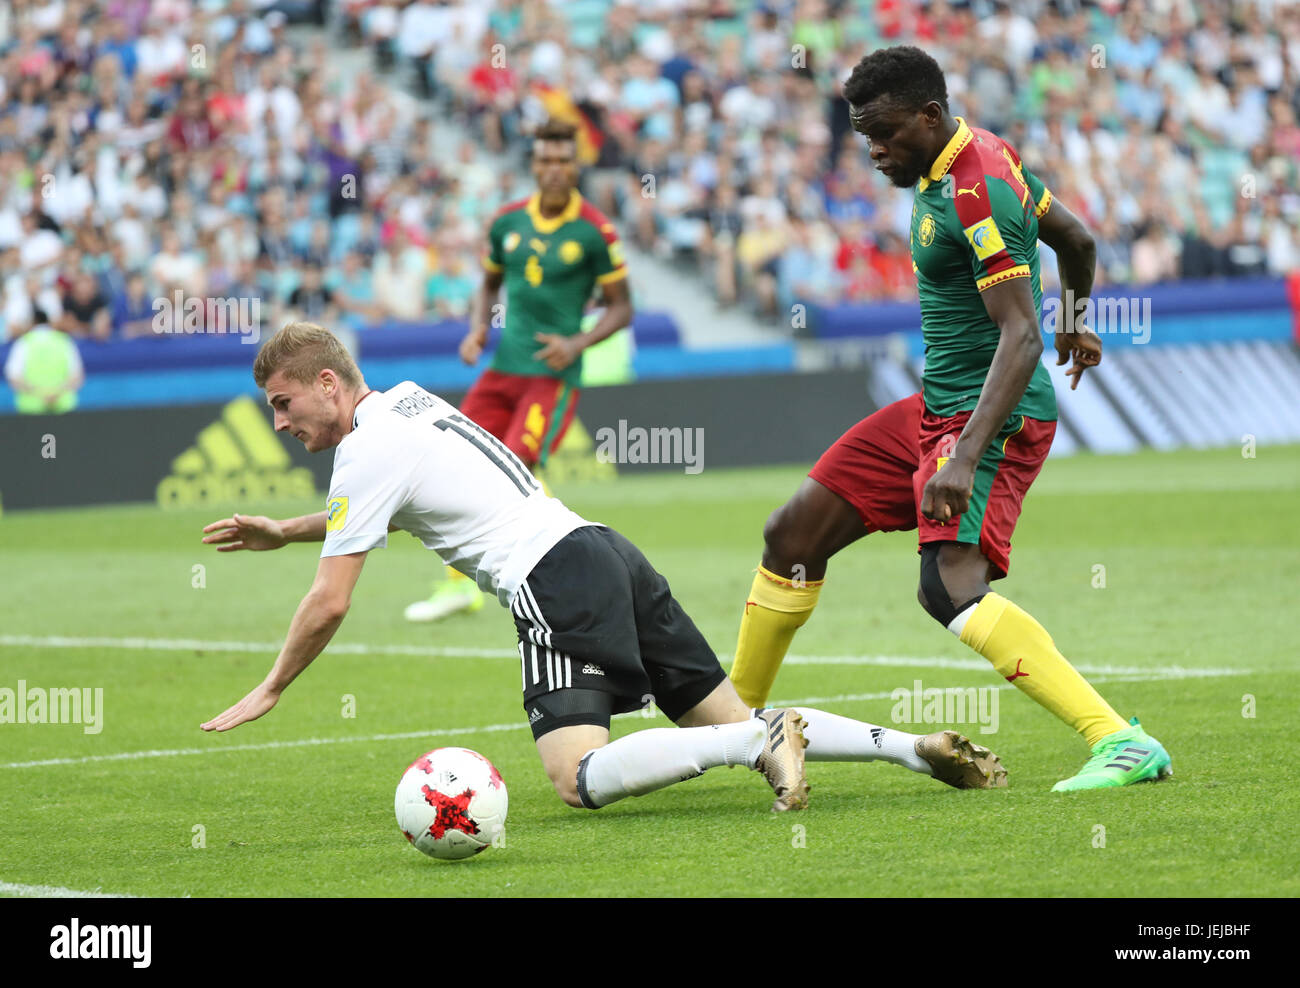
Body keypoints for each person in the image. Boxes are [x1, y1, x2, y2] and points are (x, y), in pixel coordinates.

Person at [199, 323, 1010, 815]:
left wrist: (272, 685)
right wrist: (288, 528)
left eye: (283, 401)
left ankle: (761, 743)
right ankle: (911, 748)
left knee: (576, 778)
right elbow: (391, 508)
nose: (280, 422)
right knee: (722, 716)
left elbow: (330, 603)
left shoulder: (364, 454)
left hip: (554, 581)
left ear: (328, 384)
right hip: (607, 552)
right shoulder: (407, 403)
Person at [728, 47, 1172, 792]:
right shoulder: (973, 157)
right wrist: (1081, 316)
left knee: (949, 586)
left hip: (992, 417)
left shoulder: (979, 191)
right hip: (938, 406)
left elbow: (1020, 336)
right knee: (792, 534)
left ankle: (1121, 740)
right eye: (865, 134)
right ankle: (731, 721)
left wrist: (964, 455)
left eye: (886, 133)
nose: (873, 150)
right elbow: (1077, 240)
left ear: (930, 117)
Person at [403, 118, 634, 623]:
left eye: (563, 160)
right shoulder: (508, 222)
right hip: (504, 369)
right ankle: (457, 587)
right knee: (455, 465)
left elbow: (622, 309)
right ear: (533, 164)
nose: (553, 169)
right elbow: (488, 284)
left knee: (518, 471)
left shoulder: (595, 231)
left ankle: (575, 573)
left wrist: (579, 342)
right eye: (545, 159)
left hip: (552, 376)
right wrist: (478, 329)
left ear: (576, 165)